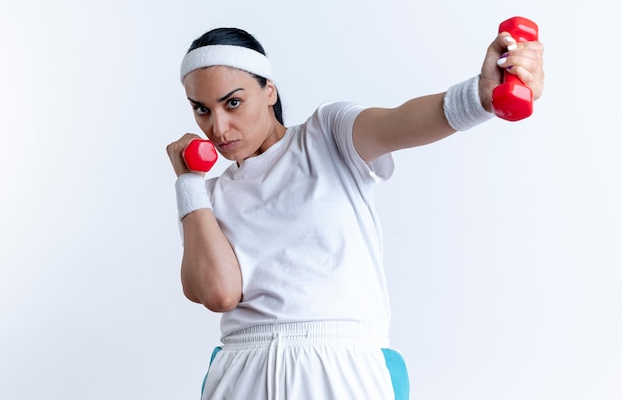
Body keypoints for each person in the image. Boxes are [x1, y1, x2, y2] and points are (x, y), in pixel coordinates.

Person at [166, 26, 544, 400]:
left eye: (232, 102)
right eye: (202, 109)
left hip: (341, 367)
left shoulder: (326, 135)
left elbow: (402, 121)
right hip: (241, 373)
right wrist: (188, 182)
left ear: (269, 90)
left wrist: (480, 95)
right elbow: (219, 294)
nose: (217, 127)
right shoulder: (206, 198)